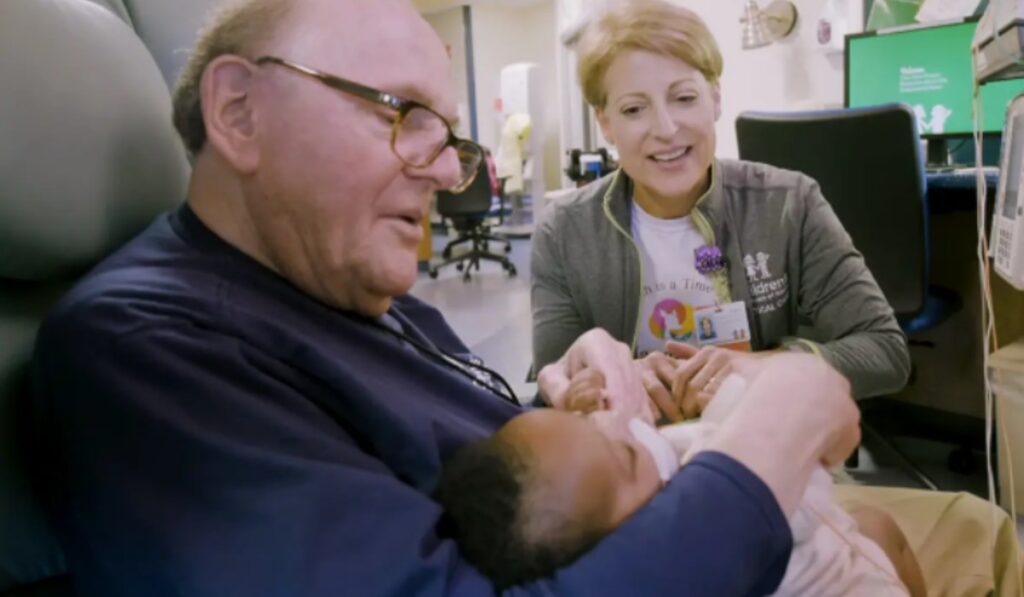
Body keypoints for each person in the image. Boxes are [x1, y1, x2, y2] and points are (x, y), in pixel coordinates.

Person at [29, 0, 863, 595]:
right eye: (403, 112)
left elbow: (453, 437)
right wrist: (774, 432)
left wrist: (554, 394)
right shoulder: (146, 351)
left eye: (449, 134)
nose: (443, 167)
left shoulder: (350, 290)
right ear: (240, 112)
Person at [530, 0, 911, 421]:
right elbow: (553, 387)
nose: (666, 129)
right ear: (605, 123)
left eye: (684, 98)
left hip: (761, 444)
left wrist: (760, 370)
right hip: (631, 461)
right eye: (634, 109)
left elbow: (885, 352)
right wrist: (616, 381)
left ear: (715, 97)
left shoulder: (789, 203)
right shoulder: (563, 233)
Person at [437, 357, 927, 595]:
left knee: (879, 523)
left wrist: (576, 401)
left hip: (837, 536)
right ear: (636, 537)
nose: (614, 425)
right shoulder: (710, 537)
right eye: (624, 453)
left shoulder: (625, 489)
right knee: (884, 535)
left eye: (582, 423)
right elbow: (795, 477)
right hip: (845, 577)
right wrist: (749, 388)